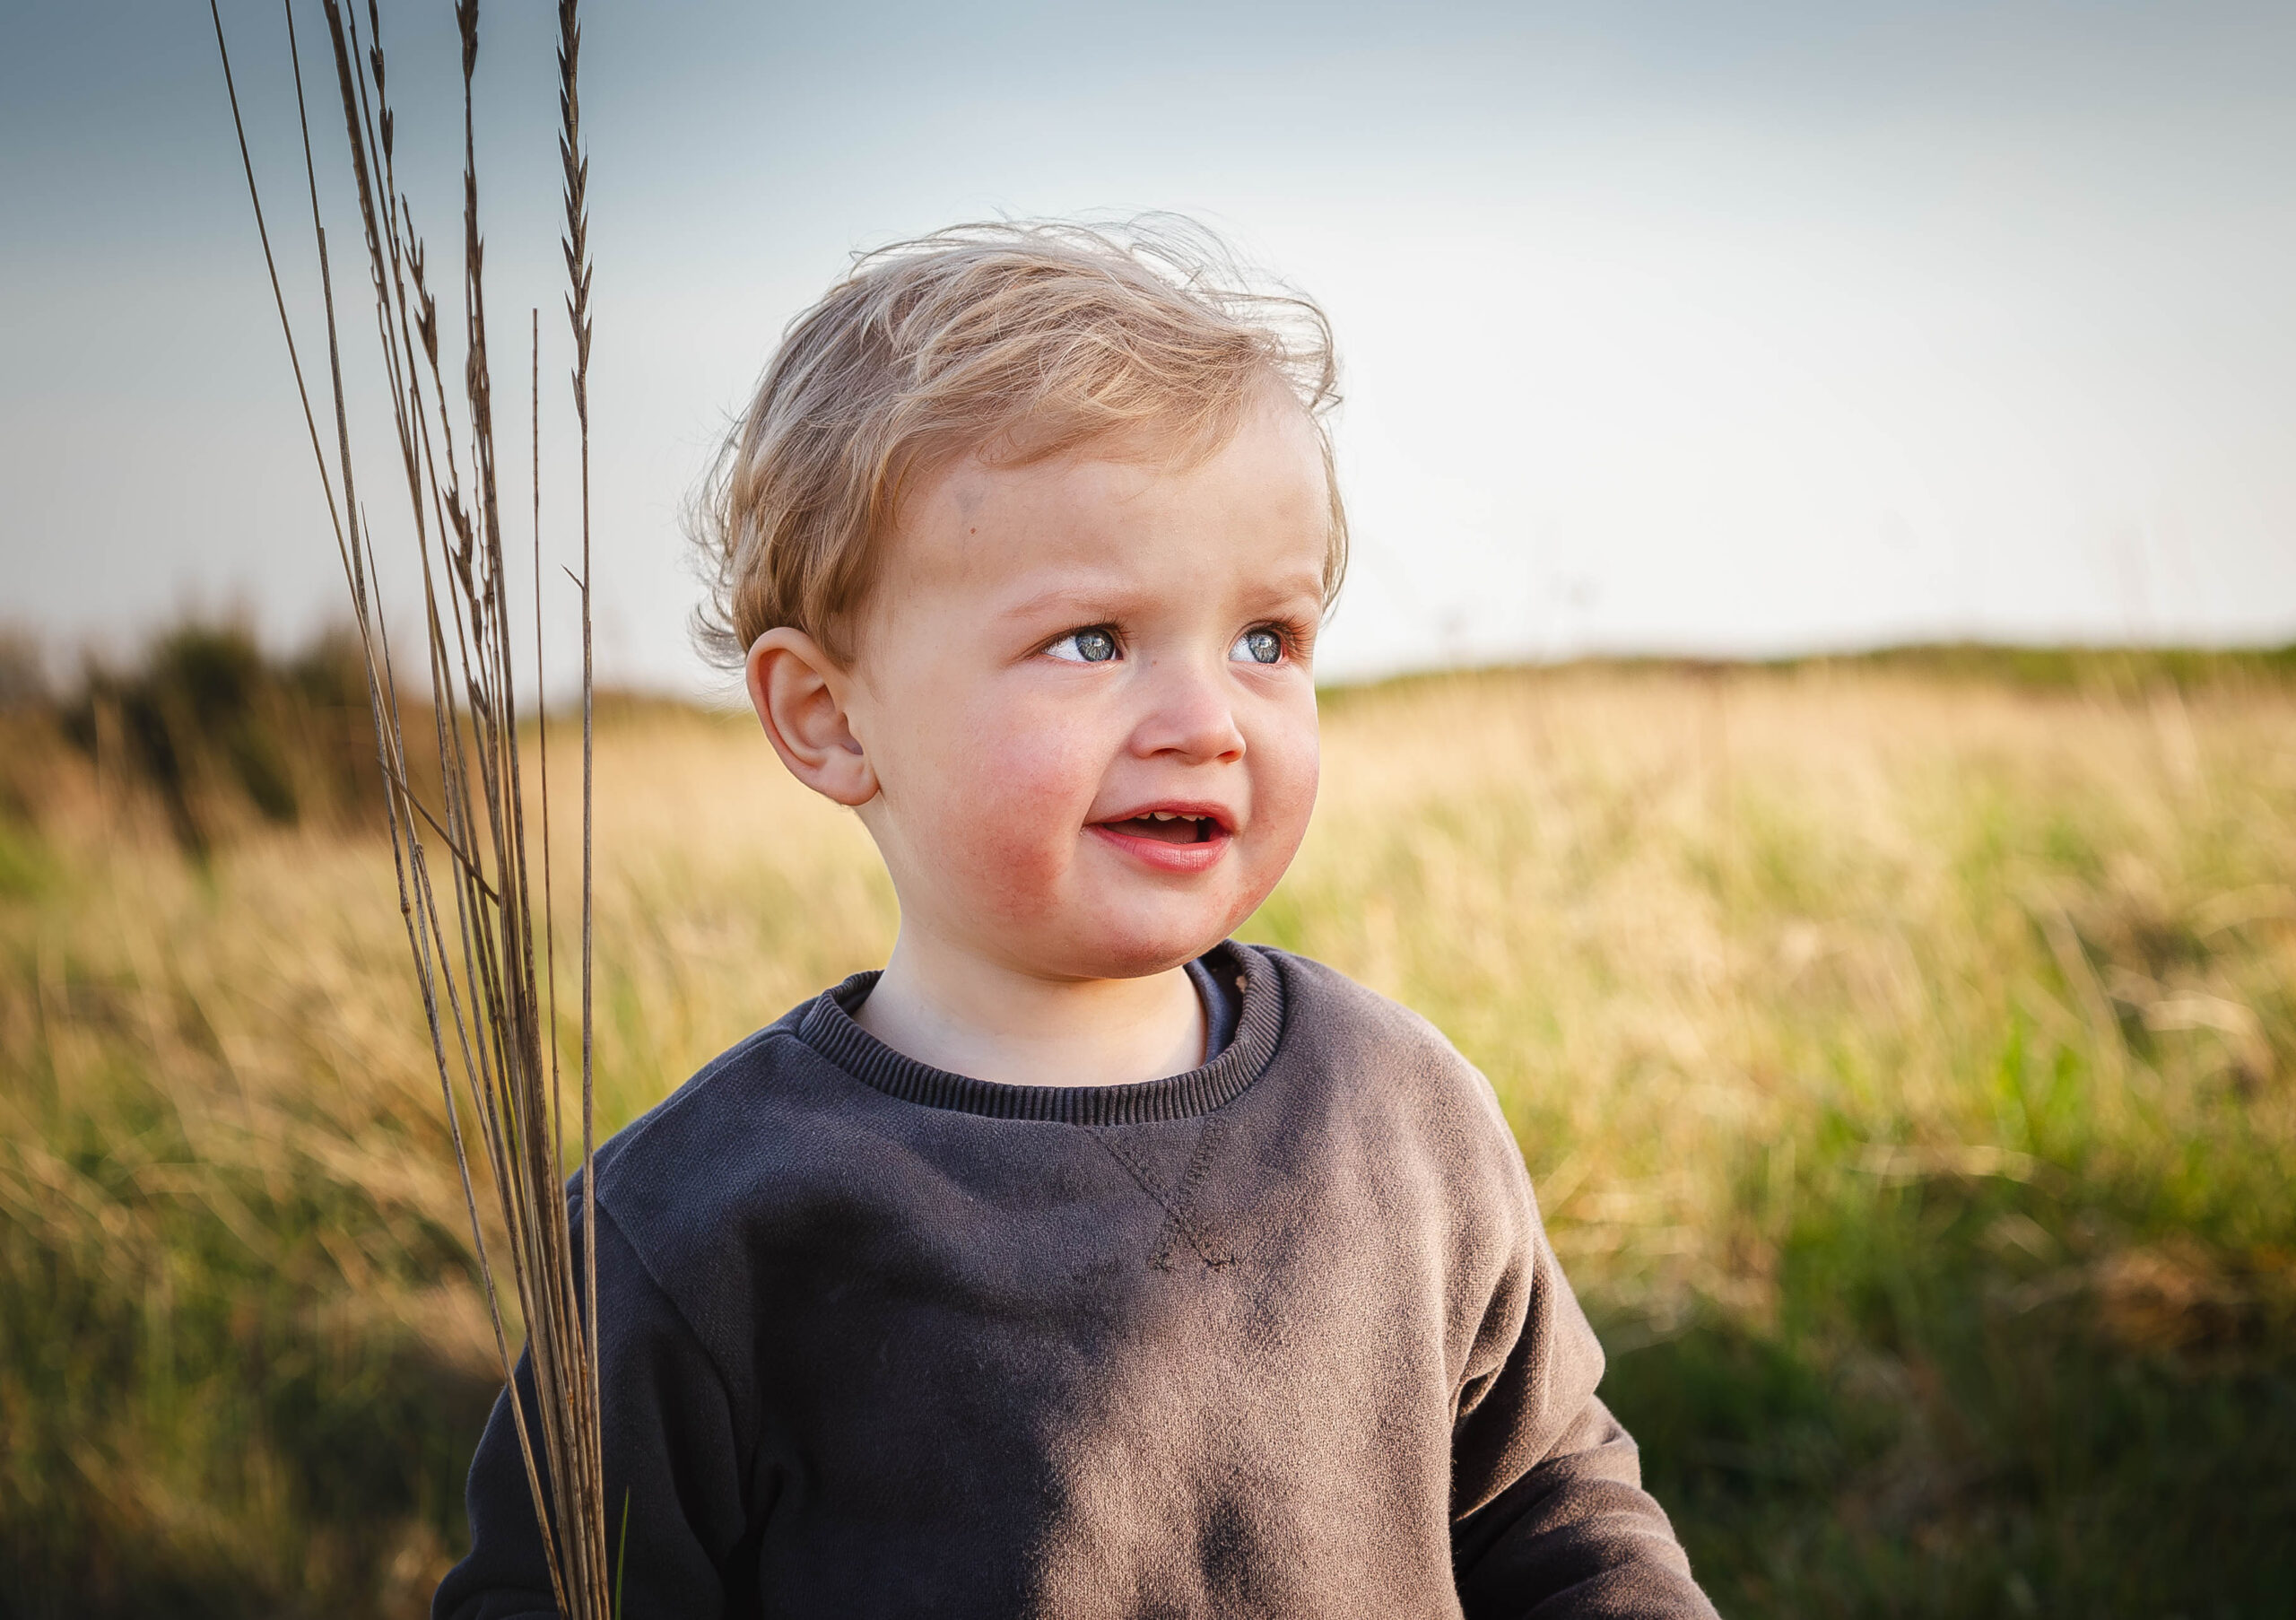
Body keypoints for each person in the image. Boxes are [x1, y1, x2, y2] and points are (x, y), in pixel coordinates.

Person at [436, 220, 1717, 1619]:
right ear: (829, 715)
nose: (1206, 721)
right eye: (1093, 641)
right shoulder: (693, 1229)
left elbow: (1551, 1502)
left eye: (1265, 640)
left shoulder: (1401, 1112)